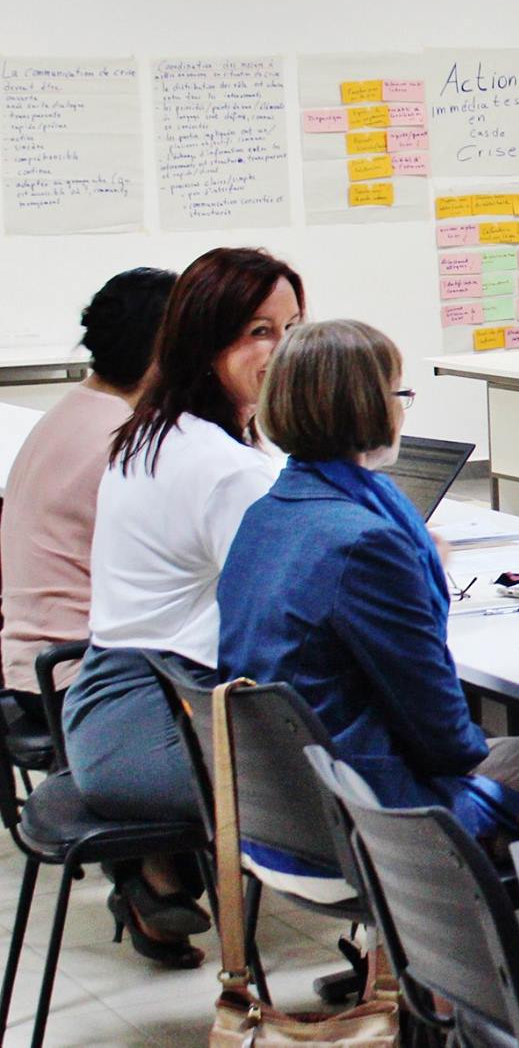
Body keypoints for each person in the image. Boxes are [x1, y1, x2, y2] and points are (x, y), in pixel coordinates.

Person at [217, 321, 519, 929]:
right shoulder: (367, 542)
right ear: (368, 407)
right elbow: (447, 743)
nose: (402, 411)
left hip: (280, 814)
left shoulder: (269, 513)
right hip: (365, 817)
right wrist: (416, 573)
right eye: (398, 395)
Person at [62, 247, 302, 968]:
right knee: (375, 765)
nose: (283, 351)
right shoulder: (224, 467)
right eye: (258, 332)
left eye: (293, 329)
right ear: (204, 341)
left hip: (107, 714)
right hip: (154, 730)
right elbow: (291, 610)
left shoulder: (157, 430)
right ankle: (420, 971)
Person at [2, 268, 174, 718]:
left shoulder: (70, 411)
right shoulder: (124, 440)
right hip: (81, 678)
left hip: (35, 670)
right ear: (164, 349)